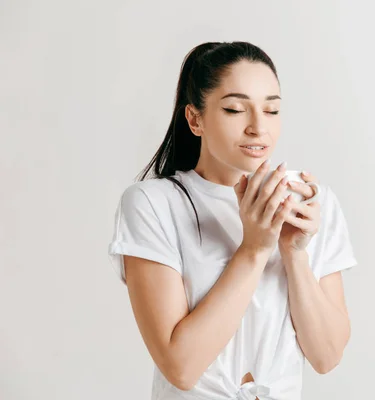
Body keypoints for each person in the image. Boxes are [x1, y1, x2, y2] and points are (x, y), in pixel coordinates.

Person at [107, 41, 358, 400]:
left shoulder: (311, 201)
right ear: (195, 119)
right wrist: (255, 248)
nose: (258, 127)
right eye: (236, 109)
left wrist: (294, 253)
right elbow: (180, 367)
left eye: (271, 111)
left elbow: (327, 356)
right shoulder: (153, 203)